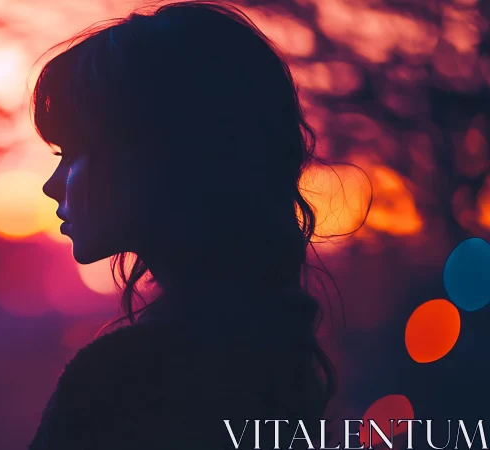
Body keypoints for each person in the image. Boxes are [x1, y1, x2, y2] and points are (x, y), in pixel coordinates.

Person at [29, 2, 369, 449]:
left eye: (71, 153)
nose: (51, 186)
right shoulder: (269, 355)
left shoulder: (126, 381)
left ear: (152, 156)